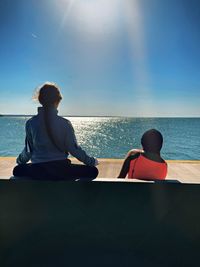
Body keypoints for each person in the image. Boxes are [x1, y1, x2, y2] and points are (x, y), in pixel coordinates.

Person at [13, 82, 99, 180]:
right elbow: (74, 150)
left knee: (17, 170)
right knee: (93, 171)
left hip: (38, 170)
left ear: (40, 100)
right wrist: (92, 161)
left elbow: (28, 151)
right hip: (61, 170)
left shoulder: (31, 123)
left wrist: (19, 161)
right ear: (58, 101)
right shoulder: (65, 123)